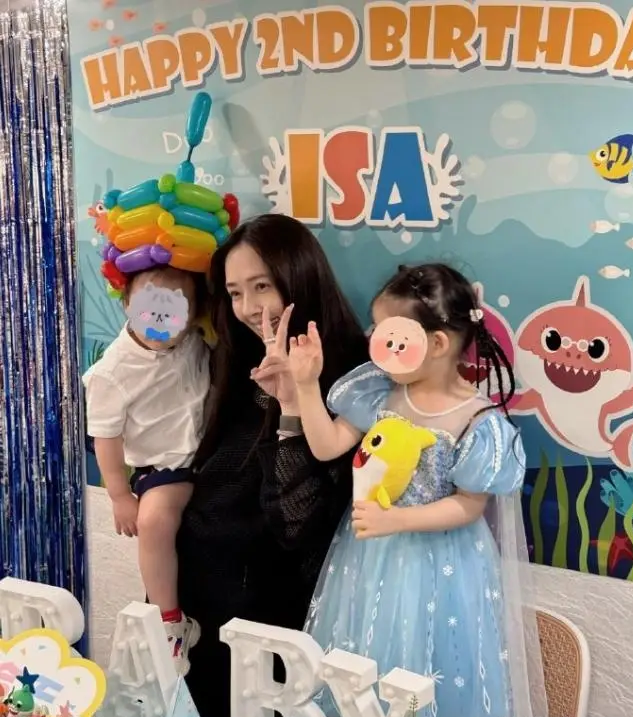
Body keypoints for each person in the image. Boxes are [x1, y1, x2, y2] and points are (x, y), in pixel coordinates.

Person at [287, 263, 547, 717]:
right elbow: (327, 446)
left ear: (438, 343)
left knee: (432, 666)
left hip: (445, 565)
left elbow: (469, 505)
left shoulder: (477, 419)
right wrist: (306, 384)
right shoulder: (379, 393)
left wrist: (397, 519)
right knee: (367, 659)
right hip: (370, 557)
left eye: (391, 337)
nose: (378, 347)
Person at [176, 214, 369, 717]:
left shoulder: (351, 377)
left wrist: (291, 406)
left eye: (261, 286)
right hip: (203, 605)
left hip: (273, 624)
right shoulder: (237, 359)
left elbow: (296, 526)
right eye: (235, 293)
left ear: (299, 275)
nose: (247, 308)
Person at [83, 266, 210, 674]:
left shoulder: (193, 341)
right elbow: (106, 437)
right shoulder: (112, 371)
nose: (160, 320)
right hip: (163, 467)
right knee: (154, 521)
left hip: (208, 452)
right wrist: (120, 494)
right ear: (126, 304)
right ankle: (170, 621)